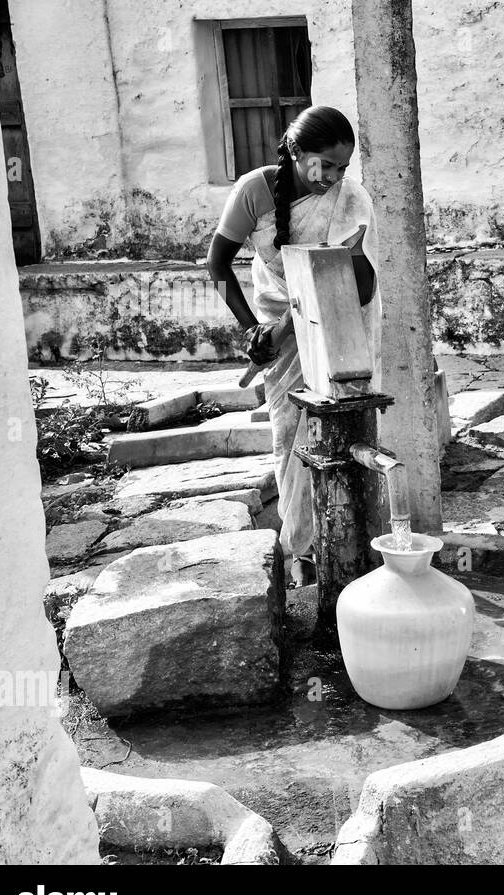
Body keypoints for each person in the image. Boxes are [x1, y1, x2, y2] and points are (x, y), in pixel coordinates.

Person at [207, 105, 381, 586]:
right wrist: (254, 331)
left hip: (343, 323)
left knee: (345, 427)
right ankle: (302, 550)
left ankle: (355, 544)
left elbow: (360, 290)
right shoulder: (254, 190)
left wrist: (293, 320)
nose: (330, 177)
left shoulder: (351, 200)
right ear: (295, 151)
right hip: (278, 323)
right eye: (322, 165)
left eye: (341, 167)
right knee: (289, 438)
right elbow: (217, 265)